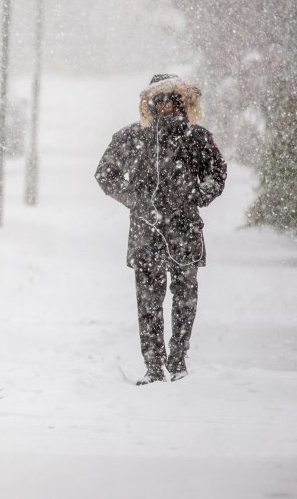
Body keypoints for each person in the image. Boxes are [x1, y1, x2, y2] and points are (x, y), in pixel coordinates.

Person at [95, 73, 227, 385]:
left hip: (185, 230)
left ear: (184, 101)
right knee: (148, 300)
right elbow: (105, 173)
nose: (166, 105)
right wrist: (136, 201)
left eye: (173, 98)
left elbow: (217, 175)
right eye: (160, 99)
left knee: (185, 296)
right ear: (150, 103)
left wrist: (193, 196)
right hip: (146, 231)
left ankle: (178, 359)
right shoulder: (132, 137)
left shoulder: (197, 138)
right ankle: (153, 365)